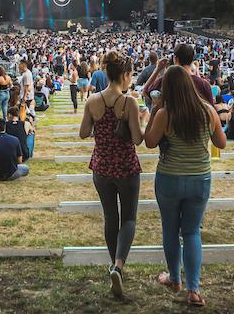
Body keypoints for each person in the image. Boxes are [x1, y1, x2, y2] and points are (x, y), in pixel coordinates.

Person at [144, 65, 226, 307]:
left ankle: (174, 277)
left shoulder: (165, 113)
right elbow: (220, 142)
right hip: (200, 178)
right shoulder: (207, 110)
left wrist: (155, 110)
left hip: (169, 177)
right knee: (191, 232)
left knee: (170, 229)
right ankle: (193, 289)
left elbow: (149, 142)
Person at [79, 50, 144, 297]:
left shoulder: (93, 101)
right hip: (126, 167)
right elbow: (138, 139)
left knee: (110, 217)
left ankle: (113, 266)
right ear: (125, 75)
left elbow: (84, 133)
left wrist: (100, 126)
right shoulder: (129, 102)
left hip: (102, 166)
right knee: (129, 219)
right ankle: (118, 265)